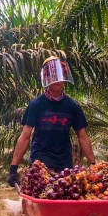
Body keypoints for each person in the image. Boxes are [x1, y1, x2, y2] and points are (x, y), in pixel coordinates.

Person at [7, 56, 96, 187]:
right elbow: (25, 136)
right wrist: (13, 168)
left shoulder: (72, 106)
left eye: (60, 75)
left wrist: (93, 164)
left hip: (64, 163)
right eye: (53, 76)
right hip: (40, 162)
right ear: (46, 79)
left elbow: (82, 136)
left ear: (64, 78)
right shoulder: (36, 104)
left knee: (64, 198)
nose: (57, 80)